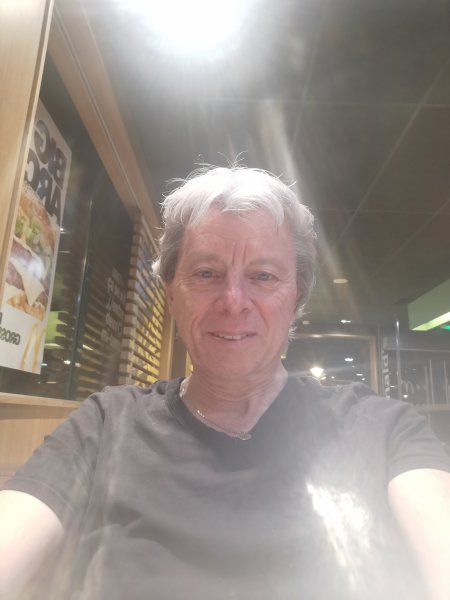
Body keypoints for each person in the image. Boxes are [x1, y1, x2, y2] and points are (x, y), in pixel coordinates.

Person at [1, 166, 450, 600]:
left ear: (296, 298)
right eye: (206, 274)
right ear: (172, 292)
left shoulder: (382, 430)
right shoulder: (105, 426)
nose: (233, 301)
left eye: (263, 276)